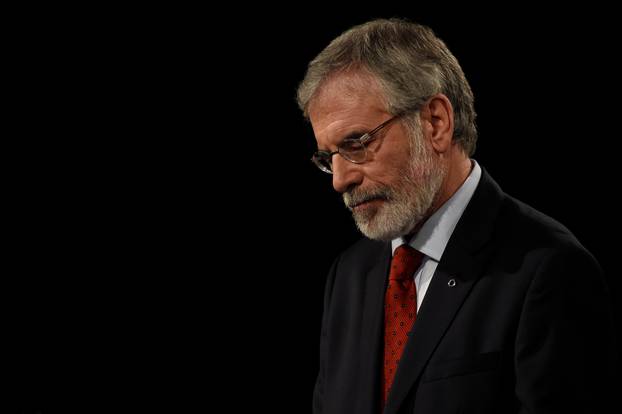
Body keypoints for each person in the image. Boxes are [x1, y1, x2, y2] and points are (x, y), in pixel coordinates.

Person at [296, 18, 617, 414]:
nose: (340, 180)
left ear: (435, 123)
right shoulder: (348, 276)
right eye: (329, 158)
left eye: (357, 143)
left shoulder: (548, 272)